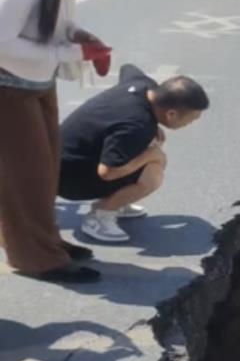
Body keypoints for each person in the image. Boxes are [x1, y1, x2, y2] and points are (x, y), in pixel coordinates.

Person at [0, 0, 123, 284]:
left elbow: (57, 22)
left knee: (46, 169)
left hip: (36, 81)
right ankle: (36, 259)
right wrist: (69, 53)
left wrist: (79, 38)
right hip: (7, 87)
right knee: (26, 177)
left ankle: (45, 241)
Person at [58, 66, 210, 244]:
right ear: (171, 114)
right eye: (191, 119)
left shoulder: (142, 85)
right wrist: (152, 155)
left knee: (145, 147)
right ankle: (101, 215)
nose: (192, 123)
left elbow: (127, 68)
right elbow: (107, 172)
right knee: (153, 174)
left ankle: (119, 198)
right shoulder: (137, 126)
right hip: (68, 180)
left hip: (60, 160)